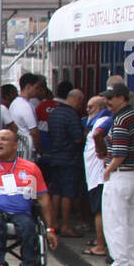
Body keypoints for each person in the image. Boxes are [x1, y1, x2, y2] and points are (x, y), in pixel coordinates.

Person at [0, 129, 58, 266]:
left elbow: (44, 198)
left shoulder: (31, 168)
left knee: (29, 227)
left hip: (21, 212)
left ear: (15, 145)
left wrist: (50, 229)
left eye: (4, 139)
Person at [99, 83, 134, 266]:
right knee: (130, 220)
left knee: (115, 220)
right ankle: (132, 260)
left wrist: (108, 169)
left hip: (120, 175)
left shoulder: (120, 121)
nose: (107, 101)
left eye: (111, 98)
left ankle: (120, 262)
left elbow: (119, 152)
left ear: (122, 98)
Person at [45, 84, 85, 237]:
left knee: (56, 191)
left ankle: (54, 222)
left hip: (55, 157)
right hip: (69, 158)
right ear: (76, 99)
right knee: (68, 193)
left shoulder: (54, 113)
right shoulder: (72, 115)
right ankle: (66, 225)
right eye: (80, 102)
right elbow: (77, 138)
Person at [81, 95, 112, 258]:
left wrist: (102, 152)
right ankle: (100, 241)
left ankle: (101, 245)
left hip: (99, 175)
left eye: (91, 107)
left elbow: (97, 135)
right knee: (99, 210)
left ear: (101, 108)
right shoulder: (95, 122)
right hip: (94, 174)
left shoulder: (103, 121)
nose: (87, 110)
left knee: (100, 211)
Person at [9, 72, 45, 156]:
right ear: (28, 87)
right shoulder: (25, 106)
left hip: (20, 147)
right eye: (36, 88)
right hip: (26, 149)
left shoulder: (15, 103)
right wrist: (39, 148)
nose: (38, 91)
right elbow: (34, 132)